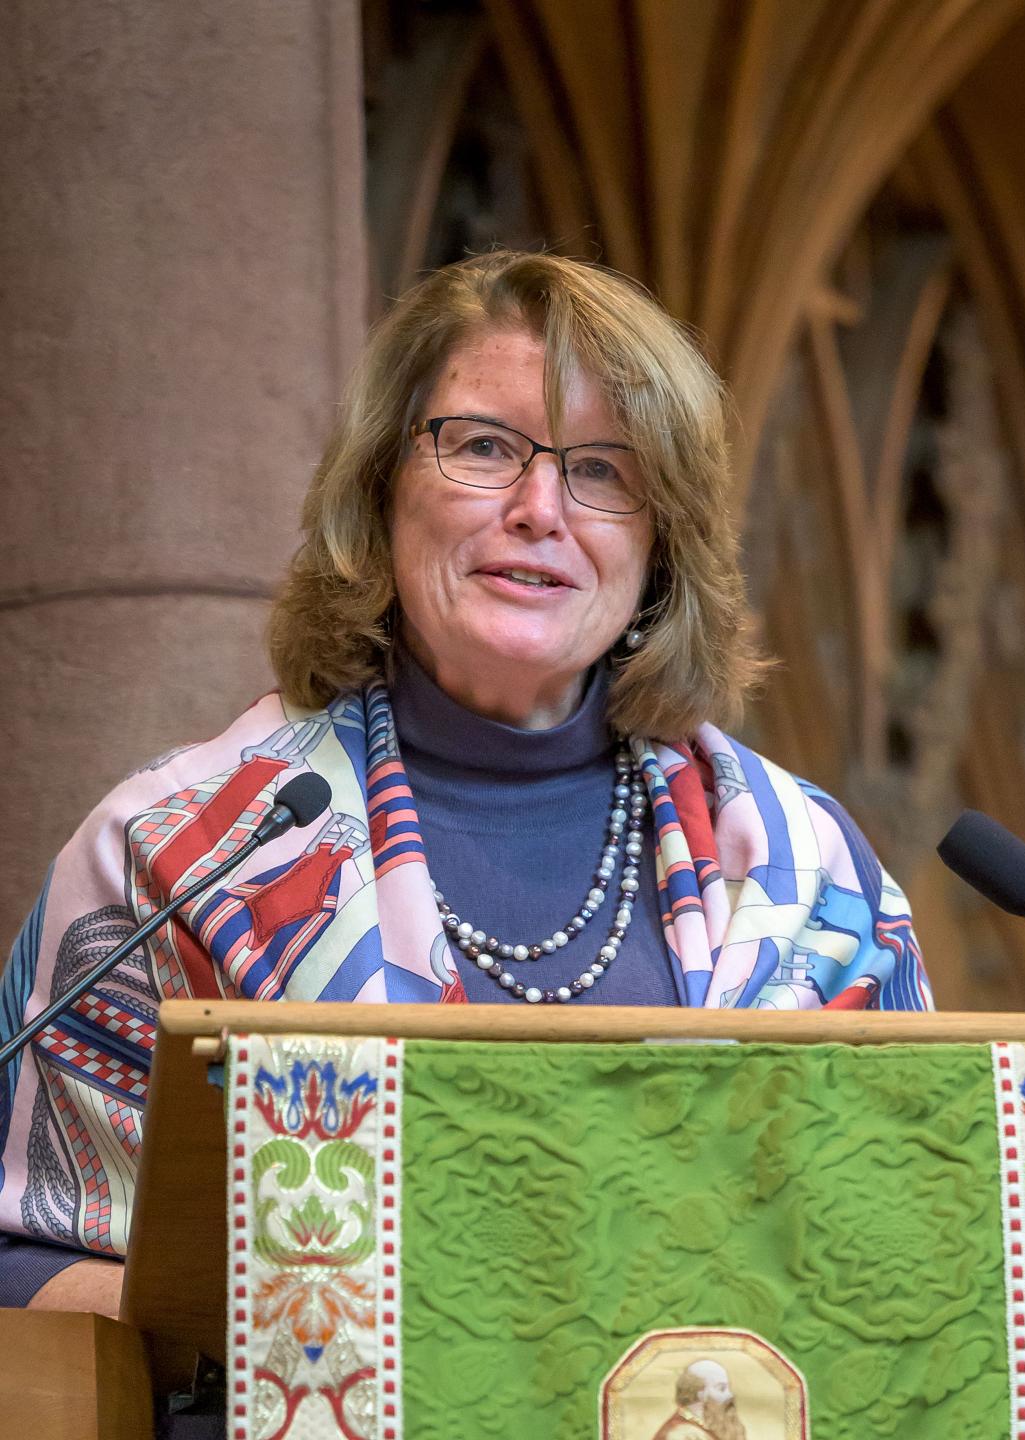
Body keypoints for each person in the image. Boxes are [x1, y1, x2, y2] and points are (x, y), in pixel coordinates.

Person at [0, 250, 931, 1321]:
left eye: (603, 471)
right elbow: (22, 1252)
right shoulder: (184, 852)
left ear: (660, 545)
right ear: (382, 486)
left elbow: (912, 1270)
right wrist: (299, 1336)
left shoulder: (804, 867)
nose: (541, 508)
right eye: (485, 447)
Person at [653, 1359, 746, 1440]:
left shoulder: (706, 1427)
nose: (729, 1395)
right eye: (721, 1388)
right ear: (700, 1393)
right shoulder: (680, 1434)